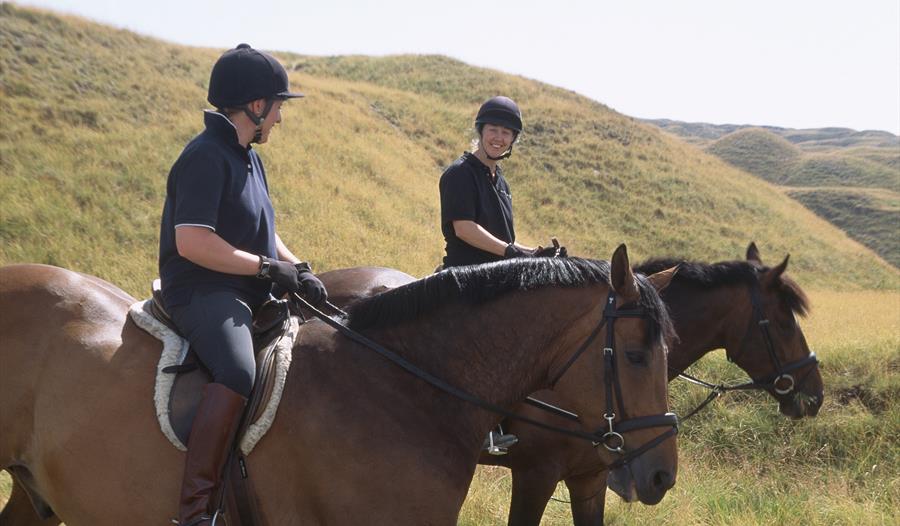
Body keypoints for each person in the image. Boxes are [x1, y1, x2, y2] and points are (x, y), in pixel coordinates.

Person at [158, 43, 327, 525]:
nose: (279, 118)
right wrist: (266, 269)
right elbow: (192, 241)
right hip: (201, 290)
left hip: (245, 286)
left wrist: (301, 268)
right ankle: (194, 513)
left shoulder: (248, 157)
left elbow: (264, 231)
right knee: (237, 371)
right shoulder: (205, 156)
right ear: (256, 106)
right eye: (277, 107)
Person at [439, 96, 547, 270]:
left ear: (512, 139)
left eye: (506, 132)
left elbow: (503, 241)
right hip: (463, 277)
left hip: (497, 276)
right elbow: (464, 229)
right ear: (481, 131)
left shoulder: (502, 183)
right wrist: (510, 251)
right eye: (493, 129)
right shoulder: (461, 173)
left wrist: (535, 254)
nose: (498, 137)